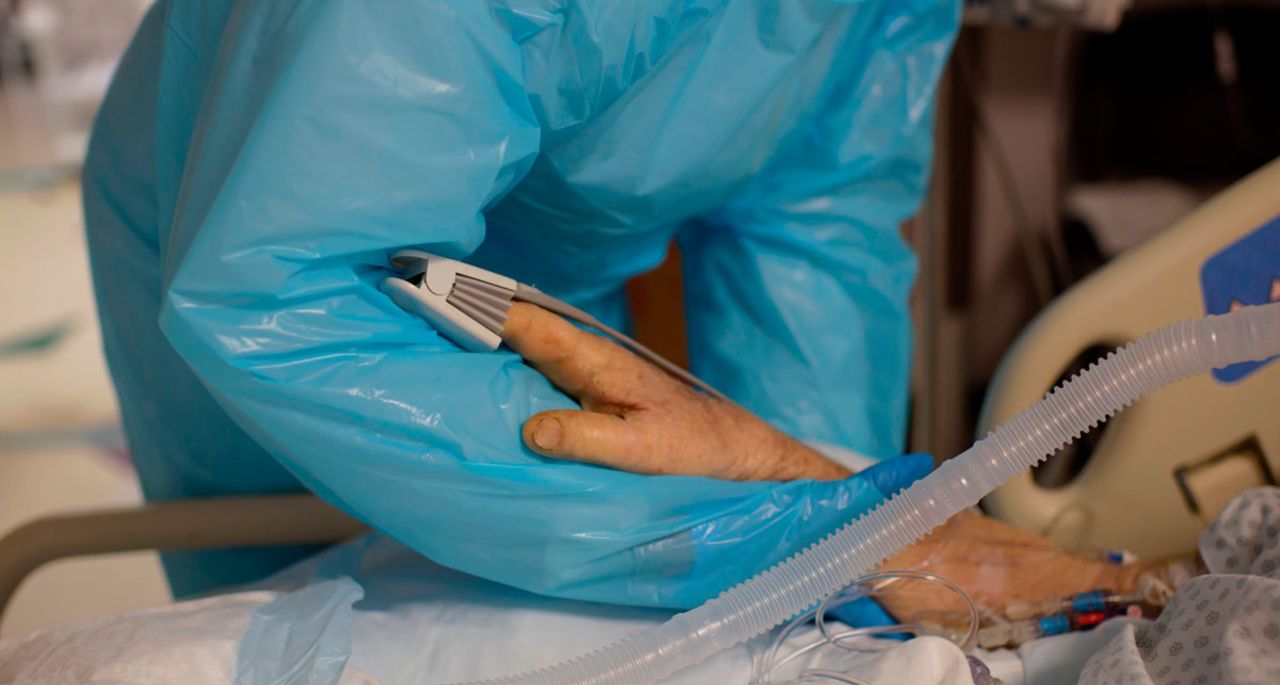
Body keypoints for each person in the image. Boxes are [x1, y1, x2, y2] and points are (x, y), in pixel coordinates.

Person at [83, 0, 1162, 620]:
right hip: (265, 246)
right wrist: (776, 527)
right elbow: (290, 289)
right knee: (298, 654)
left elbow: (815, 220)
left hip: (540, 274)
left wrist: (850, 544)